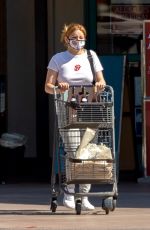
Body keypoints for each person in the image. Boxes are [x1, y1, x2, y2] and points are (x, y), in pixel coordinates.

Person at [45, 23, 106, 210]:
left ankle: (85, 195)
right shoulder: (58, 58)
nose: (78, 41)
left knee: (88, 151)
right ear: (66, 39)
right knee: (73, 150)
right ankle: (70, 191)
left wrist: (99, 85)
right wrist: (59, 86)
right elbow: (48, 86)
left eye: (81, 38)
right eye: (75, 38)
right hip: (67, 107)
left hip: (89, 107)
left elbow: (101, 79)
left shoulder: (91, 56)